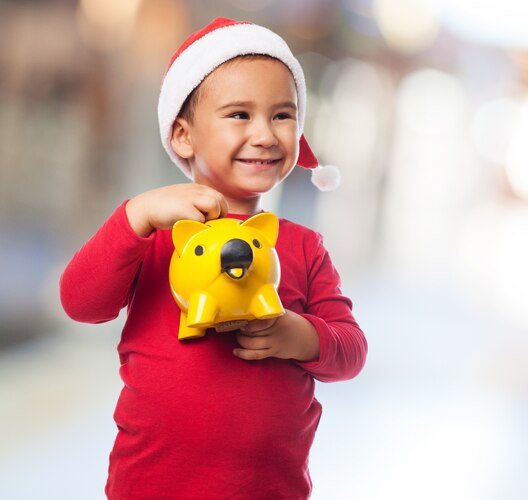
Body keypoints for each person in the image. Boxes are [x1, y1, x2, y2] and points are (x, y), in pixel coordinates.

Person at [60, 17, 367, 500]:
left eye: (283, 115)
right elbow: (80, 303)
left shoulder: (304, 247)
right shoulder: (156, 235)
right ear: (183, 135)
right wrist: (133, 216)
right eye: (240, 115)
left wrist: (300, 334)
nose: (265, 134)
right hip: (150, 484)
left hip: (268, 488)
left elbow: (351, 350)